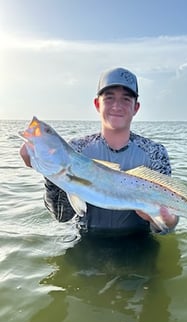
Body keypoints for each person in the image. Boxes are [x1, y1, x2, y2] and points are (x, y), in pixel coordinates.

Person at [20, 67, 178, 237]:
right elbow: (62, 216)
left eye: (125, 99)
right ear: (97, 104)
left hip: (140, 246)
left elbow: (167, 227)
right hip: (85, 245)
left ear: (136, 107)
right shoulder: (77, 148)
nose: (117, 106)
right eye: (109, 98)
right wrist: (47, 172)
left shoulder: (155, 152)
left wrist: (165, 221)